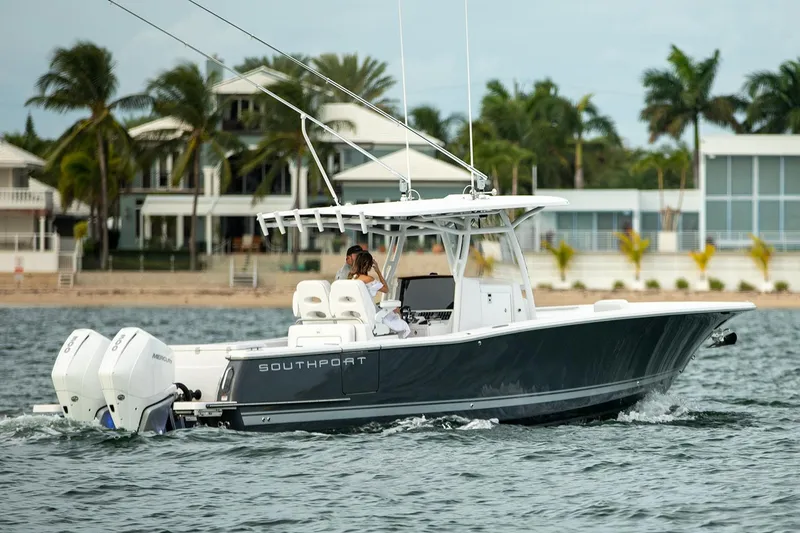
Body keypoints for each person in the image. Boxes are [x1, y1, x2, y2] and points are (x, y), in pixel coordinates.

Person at [348, 251, 411, 339]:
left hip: (357, 315)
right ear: (368, 265)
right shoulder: (369, 279)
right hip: (371, 315)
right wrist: (378, 271)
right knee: (396, 310)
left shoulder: (351, 279)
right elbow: (386, 289)